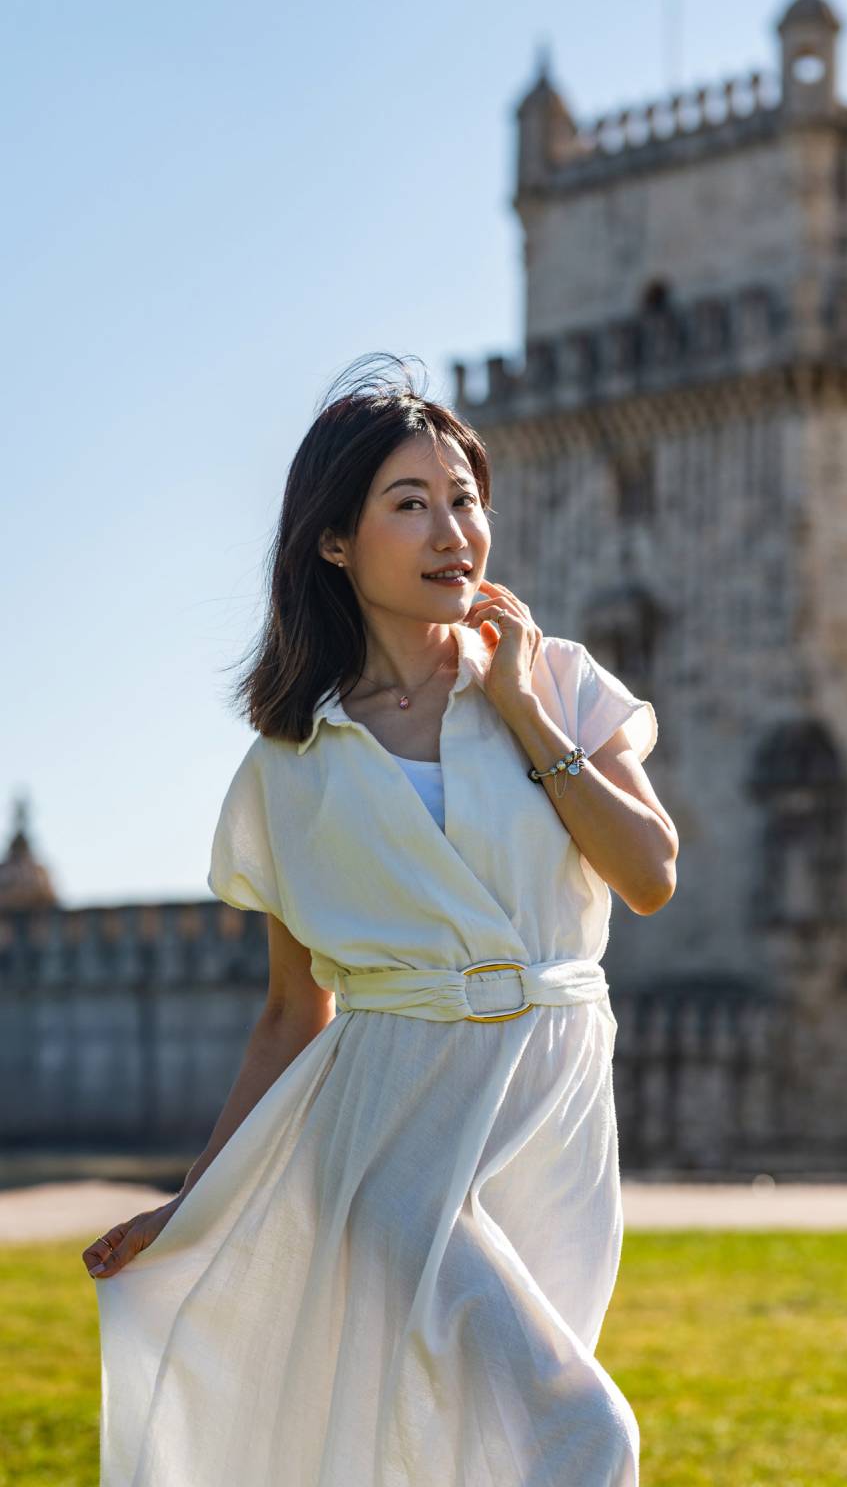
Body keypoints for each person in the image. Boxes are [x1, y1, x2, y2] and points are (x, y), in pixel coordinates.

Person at [85, 352, 678, 1486]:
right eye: (411, 504)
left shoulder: (557, 681)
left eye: (464, 498)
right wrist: (199, 1201)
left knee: (477, 1451)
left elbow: (648, 874)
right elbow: (289, 1012)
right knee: (586, 1438)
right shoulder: (292, 764)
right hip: (388, 1123)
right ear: (334, 541)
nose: (454, 531)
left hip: (556, 1107)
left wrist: (521, 708)